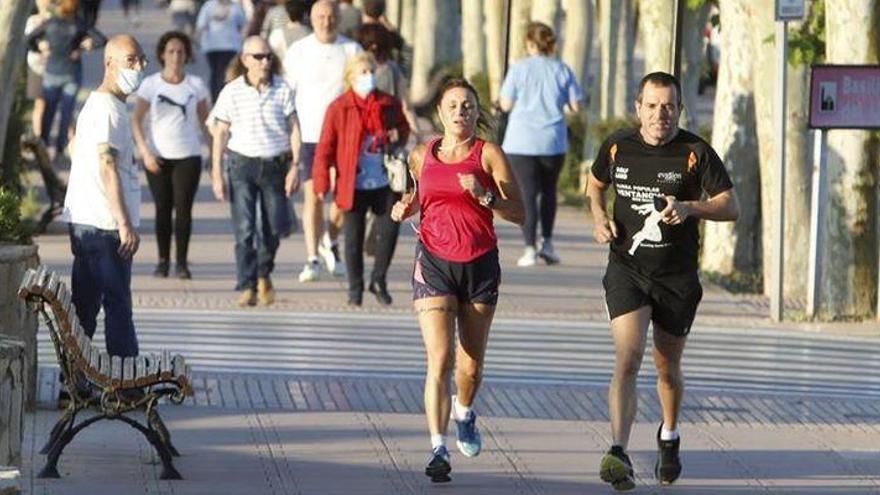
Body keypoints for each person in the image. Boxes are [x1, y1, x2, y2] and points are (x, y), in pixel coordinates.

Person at [586, 72, 739, 491]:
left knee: (666, 367)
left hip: (677, 277)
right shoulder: (618, 146)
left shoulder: (695, 151)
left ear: (679, 110)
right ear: (638, 108)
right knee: (628, 357)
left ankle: (669, 434)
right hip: (627, 270)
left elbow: (731, 206)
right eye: (652, 106)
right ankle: (618, 450)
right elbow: (595, 184)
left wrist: (690, 208)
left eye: (668, 106)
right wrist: (600, 218)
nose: (660, 115)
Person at [390, 79, 524, 483]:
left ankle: (464, 412)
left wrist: (485, 196)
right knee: (441, 359)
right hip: (433, 263)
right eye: (453, 105)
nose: (460, 112)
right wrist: (405, 206)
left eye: (468, 106)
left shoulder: (489, 156)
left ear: (477, 113)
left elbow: (519, 212)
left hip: (479, 264)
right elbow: (420, 197)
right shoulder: (422, 155)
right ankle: (438, 448)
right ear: (440, 112)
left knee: (470, 365)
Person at [61, 34, 147, 362]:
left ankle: (75, 381)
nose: (138, 67)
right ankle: (126, 381)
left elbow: (77, 150)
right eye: (131, 60)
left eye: (141, 60)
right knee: (117, 305)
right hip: (103, 225)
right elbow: (107, 167)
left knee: (86, 307)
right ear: (108, 63)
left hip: (88, 220)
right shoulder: (109, 110)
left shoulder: (101, 105)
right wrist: (124, 224)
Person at [208, 36, 300, 307]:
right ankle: (247, 284)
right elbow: (220, 132)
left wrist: (295, 166)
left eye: (268, 56)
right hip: (241, 165)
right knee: (245, 228)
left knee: (274, 227)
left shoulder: (283, 88)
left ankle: (263, 273)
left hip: (275, 164)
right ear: (245, 60)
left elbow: (294, 127)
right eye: (258, 57)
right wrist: (216, 172)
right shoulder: (232, 91)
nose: (264, 62)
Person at [313, 53, 409, 306]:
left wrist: (397, 134)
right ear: (351, 78)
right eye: (363, 73)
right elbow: (325, 147)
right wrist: (321, 180)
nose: (369, 77)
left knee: (389, 231)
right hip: (352, 183)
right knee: (353, 238)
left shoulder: (388, 103)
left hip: (385, 180)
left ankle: (378, 279)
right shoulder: (339, 107)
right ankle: (355, 289)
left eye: (371, 71)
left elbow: (404, 129)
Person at [283, 0, 361, 282]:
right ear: (311, 18)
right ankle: (312, 257)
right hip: (309, 135)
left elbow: (362, 91)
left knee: (342, 200)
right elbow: (287, 94)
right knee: (313, 197)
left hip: (345, 137)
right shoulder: (298, 51)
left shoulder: (351, 50)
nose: (326, 21)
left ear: (338, 18)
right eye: (320, 16)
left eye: (331, 16)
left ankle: (331, 239)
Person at [499, 21, 584, 267]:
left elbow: (505, 104)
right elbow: (576, 107)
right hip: (552, 141)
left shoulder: (518, 69)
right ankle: (547, 243)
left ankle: (529, 249)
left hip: (521, 141)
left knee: (527, 194)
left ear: (530, 43)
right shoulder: (563, 70)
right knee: (548, 193)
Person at [132, 31, 211, 280]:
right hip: (158, 155)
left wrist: (216, 154)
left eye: (180, 51)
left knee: (184, 209)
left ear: (187, 55)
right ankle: (162, 260)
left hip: (188, 155)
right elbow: (136, 120)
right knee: (162, 209)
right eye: (171, 51)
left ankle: (182, 263)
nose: (176, 56)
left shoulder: (195, 85)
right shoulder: (151, 85)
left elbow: (205, 121)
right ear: (162, 55)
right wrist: (145, 152)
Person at [27, 0, 106, 164]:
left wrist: (40, 49)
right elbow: (101, 40)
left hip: (52, 72)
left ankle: (44, 144)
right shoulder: (79, 25)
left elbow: (29, 39)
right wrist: (82, 48)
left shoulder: (50, 23)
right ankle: (60, 148)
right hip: (71, 72)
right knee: (66, 112)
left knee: (49, 111)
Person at [196, 0, 247, 101]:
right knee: (220, 73)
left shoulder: (211, 5)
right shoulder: (211, 5)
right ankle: (219, 99)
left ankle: (219, 99)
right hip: (217, 46)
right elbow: (244, 25)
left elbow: (200, 26)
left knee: (218, 73)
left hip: (226, 46)